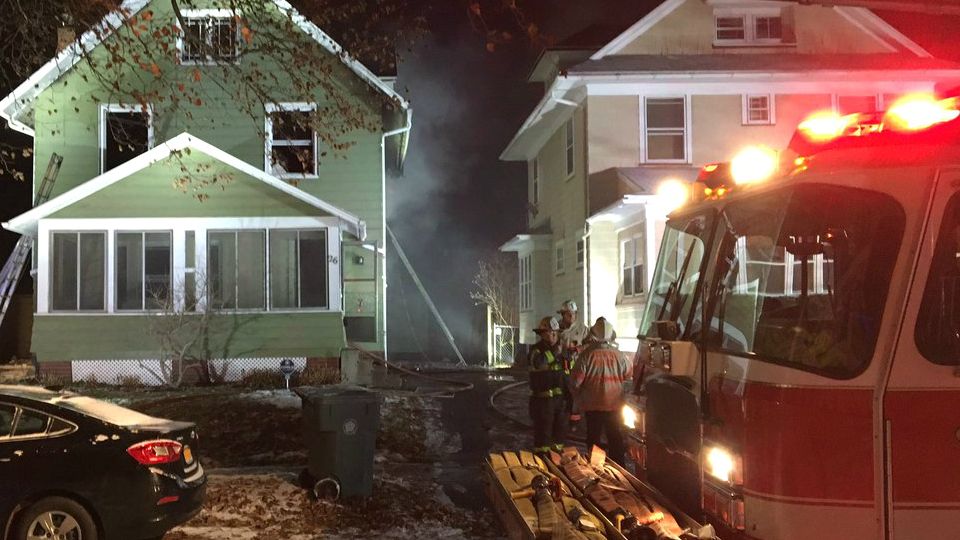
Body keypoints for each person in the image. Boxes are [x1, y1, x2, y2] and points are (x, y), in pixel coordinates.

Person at [570, 317, 632, 464]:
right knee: (616, 438)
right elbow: (629, 375)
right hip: (615, 406)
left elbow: (575, 382)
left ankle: (596, 468)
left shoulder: (586, 356)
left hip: (593, 407)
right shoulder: (620, 355)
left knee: (594, 440)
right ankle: (619, 468)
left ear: (593, 334)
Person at [527, 316, 567, 453]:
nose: (553, 336)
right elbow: (538, 363)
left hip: (560, 401)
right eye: (549, 333)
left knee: (559, 435)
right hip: (542, 401)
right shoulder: (536, 350)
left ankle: (557, 459)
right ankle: (541, 459)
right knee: (543, 436)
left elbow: (568, 372)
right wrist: (554, 353)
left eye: (555, 333)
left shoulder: (563, 350)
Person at [557, 300, 589, 428]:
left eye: (574, 314)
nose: (571, 316)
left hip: (576, 368)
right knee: (561, 395)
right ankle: (560, 421)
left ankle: (574, 423)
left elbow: (590, 344)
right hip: (560, 367)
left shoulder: (582, 329)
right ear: (563, 314)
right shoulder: (556, 327)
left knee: (575, 395)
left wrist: (578, 349)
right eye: (568, 314)